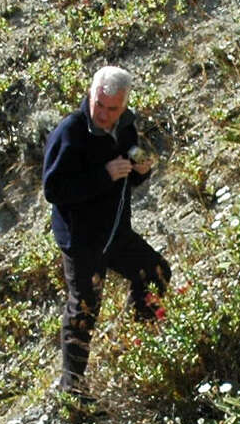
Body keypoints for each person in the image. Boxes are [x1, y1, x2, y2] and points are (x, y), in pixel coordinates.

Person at [42, 64, 170, 402]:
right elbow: (54, 190)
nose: (103, 113)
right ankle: (73, 389)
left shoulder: (125, 127)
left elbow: (127, 174)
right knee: (83, 309)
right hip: (82, 241)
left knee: (156, 273)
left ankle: (141, 344)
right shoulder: (70, 132)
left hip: (115, 232)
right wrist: (103, 175)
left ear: (124, 105)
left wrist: (141, 171)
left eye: (112, 108)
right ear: (90, 93)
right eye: (99, 104)